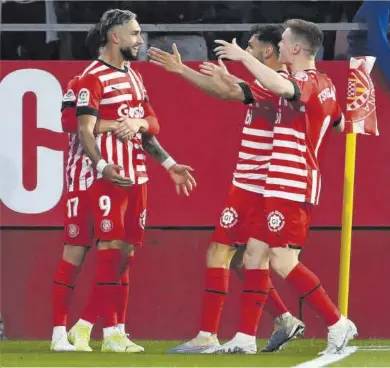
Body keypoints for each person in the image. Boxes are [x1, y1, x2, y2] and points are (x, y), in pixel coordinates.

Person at [197, 18, 356, 354]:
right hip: (279, 183)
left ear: (296, 48)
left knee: (283, 260)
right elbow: (340, 122)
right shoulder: (323, 82)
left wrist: (243, 57)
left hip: (292, 182)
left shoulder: (306, 80)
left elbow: (289, 91)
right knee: (255, 256)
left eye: (283, 41)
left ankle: (337, 323)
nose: (279, 46)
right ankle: (244, 338)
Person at [148, 25, 304, 354]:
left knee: (229, 253)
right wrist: (181, 70)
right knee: (236, 259)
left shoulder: (283, 81)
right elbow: (226, 91)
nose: (244, 48)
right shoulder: (271, 78)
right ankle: (284, 319)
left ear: (267, 50)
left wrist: (184, 72)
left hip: (259, 184)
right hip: (250, 180)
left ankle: (212, 335)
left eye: (250, 45)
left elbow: (228, 92)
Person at [51, 10, 196, 353]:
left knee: (126, 253)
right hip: (102, 176)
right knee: (101, 250)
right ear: (115, 37)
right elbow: (81, 128)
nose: (140, 40)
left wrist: (169, 163)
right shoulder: (91, 78)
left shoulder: (133, 77)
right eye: (135, 34)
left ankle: (115, 331)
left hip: (136, 174)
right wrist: (102, 165)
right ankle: (73, 329)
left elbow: (151, 124)